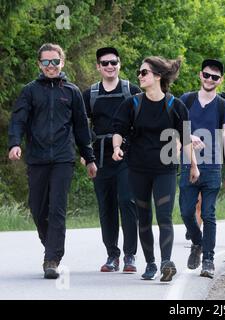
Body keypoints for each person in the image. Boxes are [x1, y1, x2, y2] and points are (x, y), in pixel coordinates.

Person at [8, 43, 97, 279]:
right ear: (39, 64)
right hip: (36, 158)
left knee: (57, 209)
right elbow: (18, 120)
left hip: (62, 159)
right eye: (46, 62)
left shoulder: (72, 92)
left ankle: (52, 259)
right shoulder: (30, 91)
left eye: (55, 61)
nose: (51, 66)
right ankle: (51, 245)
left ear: (62, 63)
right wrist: (15, 143)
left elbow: (81, 128)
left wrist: (89, 158)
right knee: (38, 209)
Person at [112, 56, 199, 282]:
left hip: (166, 169)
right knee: (144, 217)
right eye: (139, 73)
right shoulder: (132, 104)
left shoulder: (176, 106)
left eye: (144, 73)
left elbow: (186, 138)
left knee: (164, 217)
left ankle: (165, 263)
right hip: (138, 169)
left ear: (158, 76)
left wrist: (194, 166)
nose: (139, 76)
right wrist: (116, 148)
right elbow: (119, 129)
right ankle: (150, 263)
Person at [82, 47, 140, 273]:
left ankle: (130, 256)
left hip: (127, 156)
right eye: (104, 63)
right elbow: (81, 127)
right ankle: (112, 255)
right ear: (98, 66)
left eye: (113, 62)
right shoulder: (90, 94)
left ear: (119, 64)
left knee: (127, 202)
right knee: (106, 206)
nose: (109, 66)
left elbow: (142, 122)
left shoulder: (132, 91)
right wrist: (85, 155)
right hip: (100, 156)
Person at [179, 58, 225, 279]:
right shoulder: (186, 100)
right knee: (185, 212)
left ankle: (209, 261)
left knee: (209, 214)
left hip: (212, 168)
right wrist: (189, 136)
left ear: (220, 81)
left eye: (214, 77)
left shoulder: (224, 106)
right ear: (200, 75)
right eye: (206, 75)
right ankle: (197, 242)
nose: (209, 79)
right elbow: (176, 130)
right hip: (188, 164)